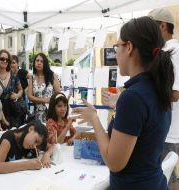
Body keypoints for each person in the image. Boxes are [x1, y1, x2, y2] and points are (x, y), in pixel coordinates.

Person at [72, 16, 174, 189]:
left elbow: (114, 162)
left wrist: (94, 119)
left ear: (129, 47)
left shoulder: (134, 97)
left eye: (116, 46)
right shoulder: (157, 88)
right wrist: (121, 104)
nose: (116, 52)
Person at [149, 8, 179, 190]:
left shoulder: (172, 52)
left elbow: (175, 94)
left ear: (162, 26)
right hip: (168, 129)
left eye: (152, 27)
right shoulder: (170, 50)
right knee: (170, 177)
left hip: (168, 131)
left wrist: (145, 93)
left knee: (162, 181)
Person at [28, 53, 60, 123]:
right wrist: (45, 100)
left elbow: (58, 95)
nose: (39, 63)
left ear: (45, 63)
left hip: (51, 113)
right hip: (37, 114)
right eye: (37, 60)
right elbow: (30, 96)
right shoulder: (32, 77)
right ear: (34, 63)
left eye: (41, 61)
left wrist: (38, 99)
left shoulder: (52, 76)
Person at [0, 51, 25, 128]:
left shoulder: (13, 74)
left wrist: (17, 95)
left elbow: (21, 90)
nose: (5, 61)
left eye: (7, 60)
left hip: (13, 112)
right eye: (2, 59)